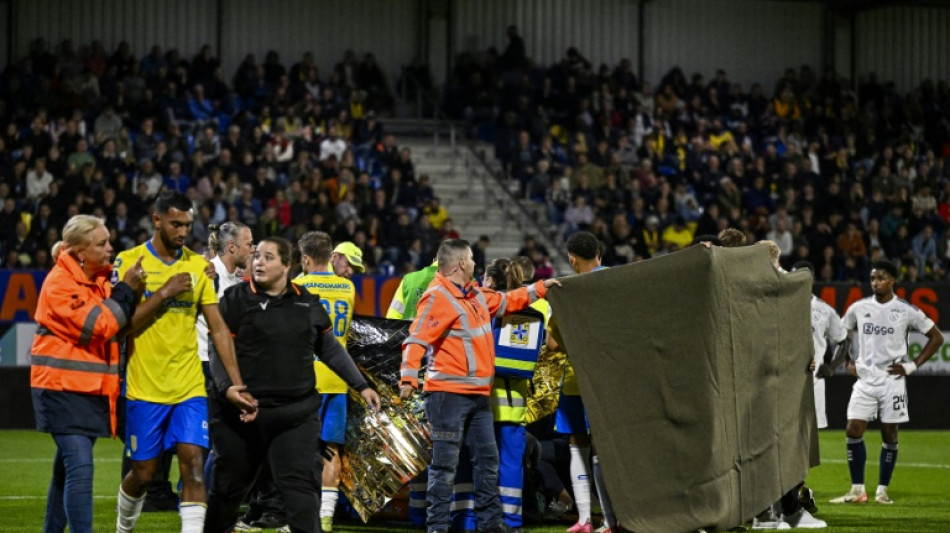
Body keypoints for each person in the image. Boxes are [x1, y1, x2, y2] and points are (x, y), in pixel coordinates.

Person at [204, 237, 381, 533]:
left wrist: (361, 385)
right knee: (227, 492)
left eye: (268, 257)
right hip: (243, 414)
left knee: (302, 495)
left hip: (294, 417)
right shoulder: (235, 299)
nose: (258, 261)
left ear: (288, 265)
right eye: (257, 256)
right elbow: (217, 347)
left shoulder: (306, 301)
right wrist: (226, 388)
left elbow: (330, 348)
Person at [115, 191, 255, 533]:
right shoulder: (130, 262)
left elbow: (219, 330)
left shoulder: (196, 266)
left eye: (187, 225)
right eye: (176, 224)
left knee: (193, 465)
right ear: (157, 219)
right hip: (144, 386)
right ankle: (123, 527)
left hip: (190, 385)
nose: (182, 232)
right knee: (144, 473)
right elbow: (121, 327)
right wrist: (163, 293)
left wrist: (235, 383)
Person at [399, 239, 561, 533]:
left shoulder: (473, 294)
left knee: (488, 464)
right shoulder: (438, 297)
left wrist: (540, 288)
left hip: (477, 397)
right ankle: (437, 527)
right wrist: (408, 378)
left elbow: (506, 301)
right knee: (444, 467)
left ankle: (490, 526)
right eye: (471, 258)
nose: (475, 262)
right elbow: (416, 339)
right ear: (461, 263)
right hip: (447, 397)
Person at [31, 215, 145, 533]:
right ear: (80, 251)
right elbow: (99, 326)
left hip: (88, 390)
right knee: (80, 468)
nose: (110, 248)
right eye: (102, 243)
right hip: (61, 389)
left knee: (65, 471)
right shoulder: (59, 284)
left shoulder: (98, 280)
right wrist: (125, 290)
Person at [829, 260, 942, 505]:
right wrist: (848, 361)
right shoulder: (859, 307)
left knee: (889, 433)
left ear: (892, 280)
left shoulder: (905, 309)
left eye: (881, 277)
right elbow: (841, 334)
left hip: (892, 379)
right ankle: (858, 490)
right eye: (872, 278)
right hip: (865, 378)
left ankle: (882, 490)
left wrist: (912, 365)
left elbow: (936, 337)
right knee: (853, 428)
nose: (875, 282)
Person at [293, 234, 364, 533]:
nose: (350, 272)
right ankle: (325, 518)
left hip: (305, 380)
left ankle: (295, 514)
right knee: (331, 450)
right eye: (349, 264)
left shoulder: (299, 284)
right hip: (336, 379)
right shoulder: (347, 288)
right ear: (333, 257)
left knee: (296, 450)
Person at [551, 231, 616, 533]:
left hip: (576, 378)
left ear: (572, 259)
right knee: (606, 448)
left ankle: (586, 520)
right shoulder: (619, 282)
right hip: (608, 379)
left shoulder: (566, 289)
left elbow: (553, 343)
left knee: (579, 444)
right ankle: (614, 520)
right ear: (600, 256)